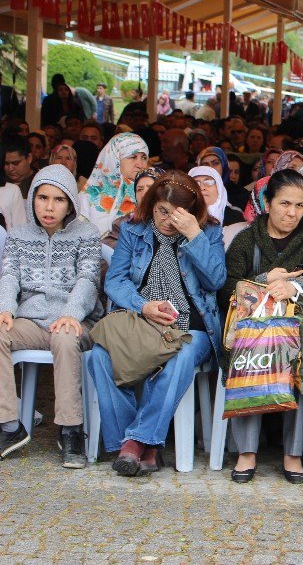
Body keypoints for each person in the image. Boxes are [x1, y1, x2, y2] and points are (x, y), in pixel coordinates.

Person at [89, 172, 225, 477]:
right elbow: (115, 280)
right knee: (99, 356)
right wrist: (144, 305)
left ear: (191, 212)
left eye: (177, 214)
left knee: (182, 355)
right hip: (143, 323)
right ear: (151, 205)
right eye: (162, 211)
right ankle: (140, 445)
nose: (167, 220)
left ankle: (134, 445)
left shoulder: (209, 232)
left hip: (192, 327)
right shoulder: (133, 229)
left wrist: (194, 236)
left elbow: (216, 280)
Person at [221, 169, 303, 484]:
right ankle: (247, 451)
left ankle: (293, 452)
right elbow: (226, 285)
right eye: (285, 203)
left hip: (296, 321)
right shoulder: (247, 239)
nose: (292, 213)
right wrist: (264, 281)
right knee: (248, 354)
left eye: (299, 205)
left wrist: (295, 286)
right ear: (268, 202)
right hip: (253, 325)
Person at [0, 165, 103, 467]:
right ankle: (9, 426)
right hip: (30, 321)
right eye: (42, 197)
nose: (49, 206)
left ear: (70, 202)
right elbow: (9, 277)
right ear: (31, 198)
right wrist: (5, 308)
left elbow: (88, 279)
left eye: (58, 199)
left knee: (65, 337)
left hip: (76, 321)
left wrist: (71, 314)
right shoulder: (18, 236)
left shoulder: (87, 234)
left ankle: (71, 431)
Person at [77, 133, 150, 238]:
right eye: (133, 157)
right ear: (114, 159)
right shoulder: (88, 198)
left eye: (144, 157)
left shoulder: (152, 194)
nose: (140, 165)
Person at [197, 146, 249, 211]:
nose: (211, 168)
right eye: (205, 165)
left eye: (215, 163)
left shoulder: (240, 194)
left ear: (223, 166)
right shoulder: (195, 192)